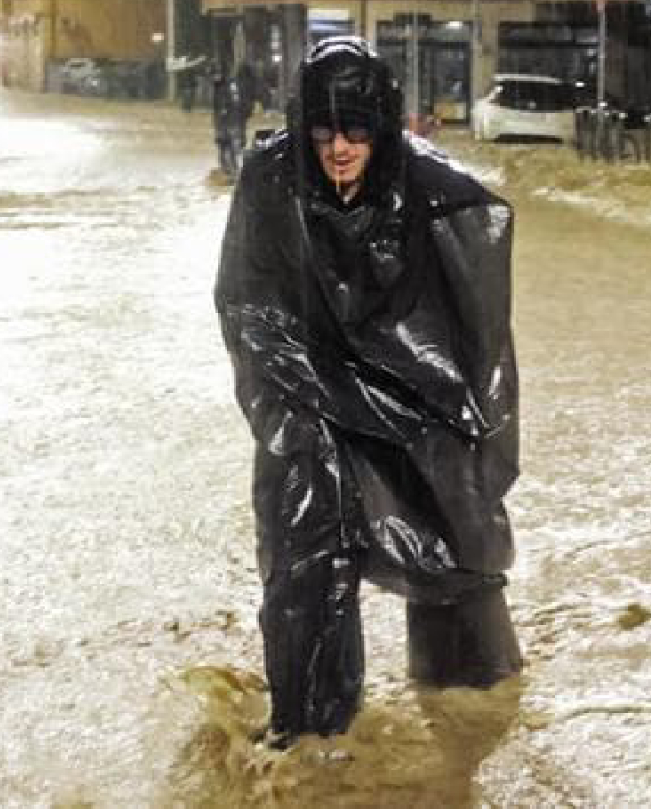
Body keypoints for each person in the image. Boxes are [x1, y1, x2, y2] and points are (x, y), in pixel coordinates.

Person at [214, 36, 523, 748]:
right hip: (304, 386)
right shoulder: (271, 178)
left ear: (383, 130)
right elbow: (247, 303)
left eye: (357, 131)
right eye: (324, 132)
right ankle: (313, 736)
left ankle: (471, 701)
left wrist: (465, 422)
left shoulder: (437, 192)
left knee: (457, 538)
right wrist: (298, 406)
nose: (340, 150)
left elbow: (478, 329)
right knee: (305, 543)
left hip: (412, 391)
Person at [210, 62, 240, 176]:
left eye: (216, 74)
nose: (214, 77)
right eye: (213, 75)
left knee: (230, 146)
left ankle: (233, 170)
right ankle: (225, 170)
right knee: (222, 146)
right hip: (221, 122)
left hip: (229, 122)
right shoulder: (217, 86)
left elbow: (233, 102)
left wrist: (225, 111)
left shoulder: (229, 86)